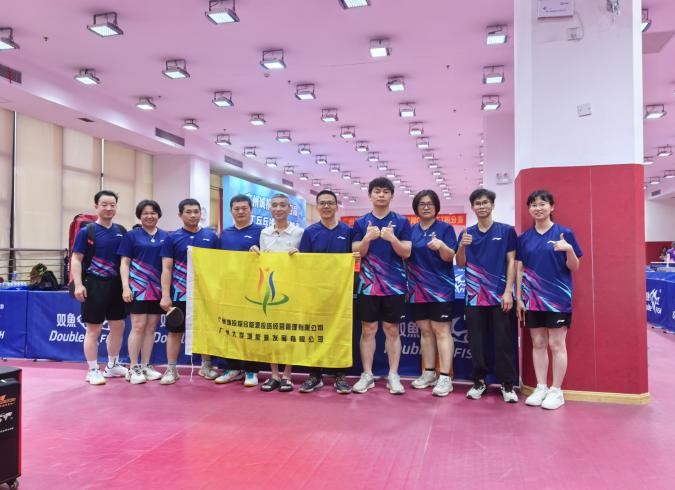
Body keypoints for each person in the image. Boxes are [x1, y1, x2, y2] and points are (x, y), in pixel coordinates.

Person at [516, 189, 582, 410]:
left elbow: (574, 267)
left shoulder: (565, 233)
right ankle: (541, 387)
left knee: (556, 344)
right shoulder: (524, 238)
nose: (538, 208)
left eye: (542, 204)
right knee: (538, 343)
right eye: (533, 205)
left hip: (557, 299)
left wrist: (569, 249)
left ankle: (556, 390)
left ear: (551, 207)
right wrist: (519, 297)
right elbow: (520, 269)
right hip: (532, 298)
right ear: (529, 209)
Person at [456, 188, 519, 403]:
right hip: (474, 297)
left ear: (492, 205)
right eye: (477, 203)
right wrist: (462, 247)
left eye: (485, 202)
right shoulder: (466, 233)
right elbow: (460, 263)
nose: (481, 206)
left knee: (503, 341)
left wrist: (508, 291)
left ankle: (507, 383)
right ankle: (479, 381)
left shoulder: (506, 231)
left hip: (500, 296)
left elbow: (511, 262)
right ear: (472, 207)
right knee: (477, 342)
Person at [351, 177, 412, 395]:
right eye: (377, 191)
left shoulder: (402, 222)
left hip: (394, 286)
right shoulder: (360, 222)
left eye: (386, 191)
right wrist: (367, 238)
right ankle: (367, 374)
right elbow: (356, 252)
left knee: (392, 329)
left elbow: (407, 252)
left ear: (392, 196)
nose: (381, 195)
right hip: (368, 286)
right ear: (370, 195)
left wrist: (392, 239)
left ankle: (393, 375)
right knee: (368, 329)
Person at [297, 190, 358, 394]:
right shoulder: (310, 232)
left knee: (340, 332)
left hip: (340, 292)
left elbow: (354, 256)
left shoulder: (348, 231)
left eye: (330, 203)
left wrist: (356, 257)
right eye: (322, 203)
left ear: (336, 206)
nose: (326, 206)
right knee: (314, 333)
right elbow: (304, 262)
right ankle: (315, 375)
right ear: (317, 206)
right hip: (316, 292)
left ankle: (340, 375)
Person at [159, 198, 219, 385]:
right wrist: (166, 295)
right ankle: (171, 369)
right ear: (180, 215)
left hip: (204, 294)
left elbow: (218, 266)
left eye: (196, 212)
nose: (193, 215)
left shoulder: (211, 237)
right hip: (179, 293)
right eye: (188, 212)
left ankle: (206, 366)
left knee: (205, 329)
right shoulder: (172, 238)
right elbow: (166, 268)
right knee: (175, 331)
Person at [71, 190, 128, 385]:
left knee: (118, 327)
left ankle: (112, 365)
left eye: (112, 205)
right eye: (104, 204)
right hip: (94, 284)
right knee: (93, 330)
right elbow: (76, 259)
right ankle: (93, 369)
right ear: (96, 206)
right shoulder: (87, 231)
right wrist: (78, 284)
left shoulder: (121, 230)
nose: (109, 208)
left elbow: (125, 261)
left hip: (116, 285)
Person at [406, 190, 457, 397]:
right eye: (422, 204)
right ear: (416, 208)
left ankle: (445, 377)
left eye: (430, 204)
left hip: (440, 289)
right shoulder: (410, 231)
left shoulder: (445, 229)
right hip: (417, 288)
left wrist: (441, 245)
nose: (426, 207)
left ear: (436, 207)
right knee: (425, 331)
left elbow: (450, 257)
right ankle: (428, 373)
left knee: (442, 331)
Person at [251, 193, 304, 392]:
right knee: (271, 331)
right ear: (270, 209)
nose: (279, 209)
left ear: (289, 209)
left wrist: (300, 256)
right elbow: (262, 260)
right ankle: (274, 374)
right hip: (269, 289)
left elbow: (307, 261)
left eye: (283, 205)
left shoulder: (299, 233)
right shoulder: (264, 233)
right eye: (275, 205)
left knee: (290, 331)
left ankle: (287, 374)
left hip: (291, 288)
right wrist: (254, 253)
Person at [214, 194, 264, 387]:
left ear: (251, 209)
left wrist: (260, 253)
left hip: (253, 291)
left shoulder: (262, 232)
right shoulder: (225, 234)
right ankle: (233, 368)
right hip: (230, 290)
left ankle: (251, 370)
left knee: (251, 331)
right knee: (230, 329)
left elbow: (271, 259)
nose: (240, 211)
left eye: (244, 208)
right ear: (231, 211)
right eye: (237, 209)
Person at [118, 199, 169, 384]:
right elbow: (124, 263)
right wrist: (125, 287)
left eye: (153, 213)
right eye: (145, 213)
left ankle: (146, 365)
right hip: (137, 289)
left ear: (158, 215)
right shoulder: (131, 236)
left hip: (157, 289)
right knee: (138, 326)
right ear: (140, 216)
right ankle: (133, 367)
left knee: (151, 328)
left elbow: (167, 266)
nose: (149, 216)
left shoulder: (165, 236)